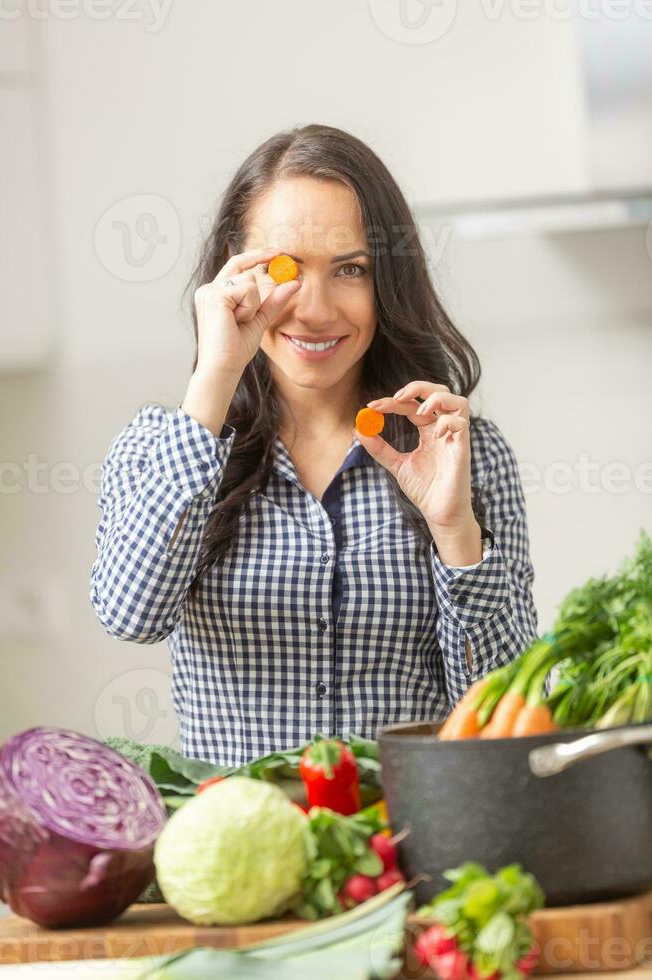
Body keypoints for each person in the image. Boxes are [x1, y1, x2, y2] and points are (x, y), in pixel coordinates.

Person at [89, 124, 538, 767]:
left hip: (399, 848)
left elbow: (507, 716)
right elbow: (131, 614)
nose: (316, 309)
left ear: (389, 282)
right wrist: (214, 378)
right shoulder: (161, 447)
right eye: (283, 268)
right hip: (245, 848)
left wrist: (454, 531)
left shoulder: (464, 454)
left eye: (350, 269)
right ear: (231, 273)